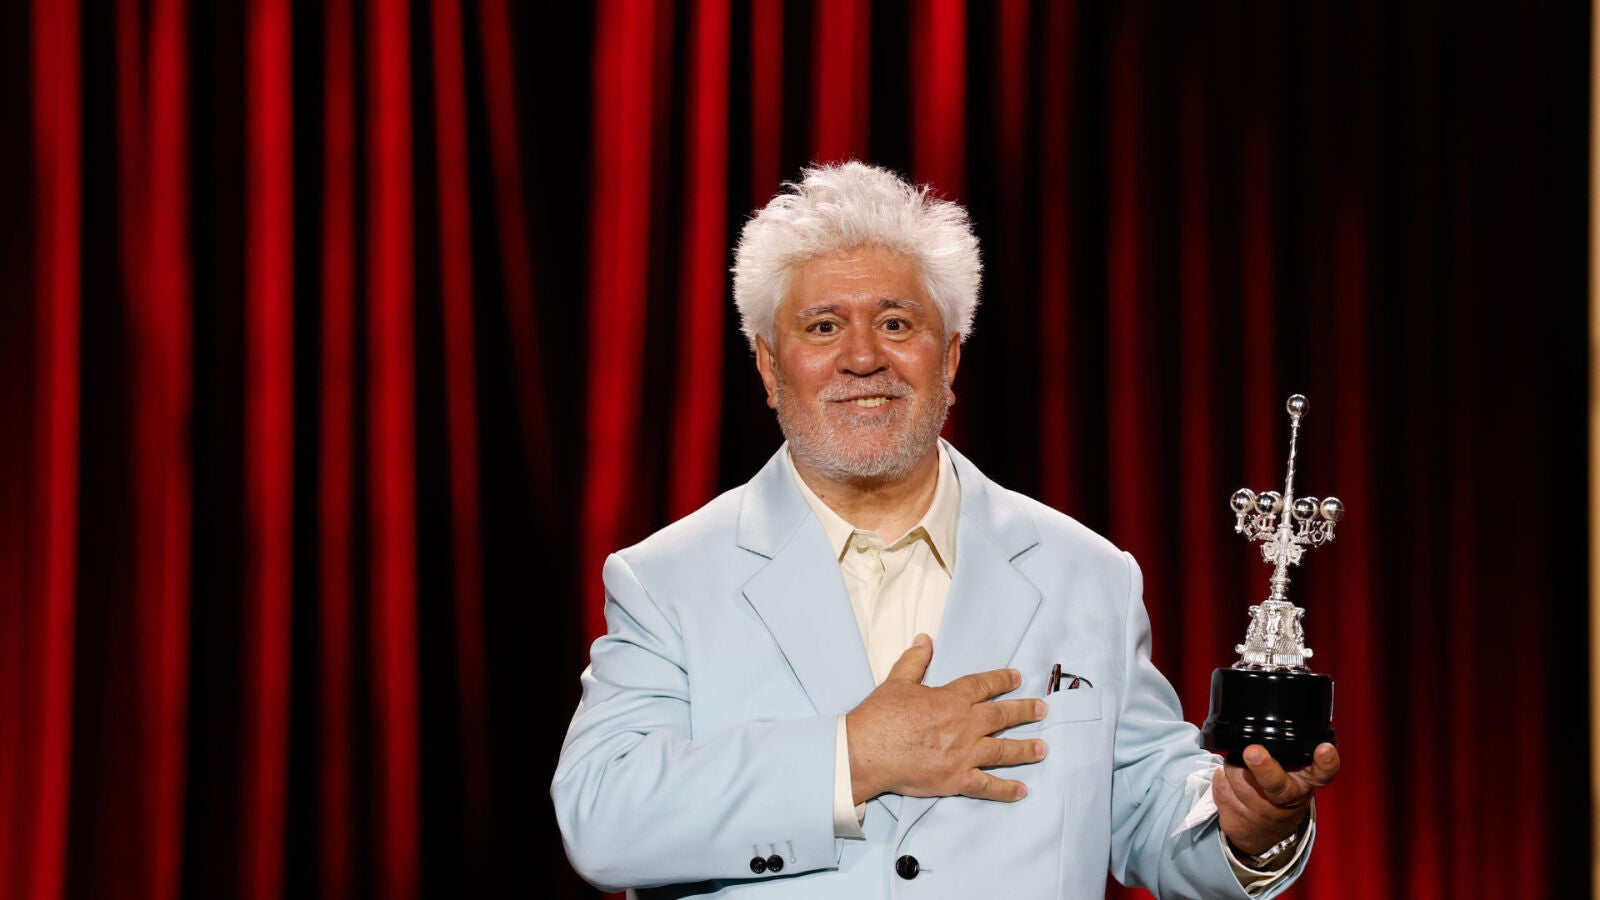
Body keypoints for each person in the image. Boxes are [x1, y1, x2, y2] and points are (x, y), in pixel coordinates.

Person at [551, 162, 1340, 898]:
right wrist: (851, 758)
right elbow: (602, 813)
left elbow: (1148, 807)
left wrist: (1249, 825)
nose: (864, 357)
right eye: (822, 327)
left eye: (897, 322)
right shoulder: (667, 578)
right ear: (766, 364)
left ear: (952, 356)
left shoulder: (1088, 572)